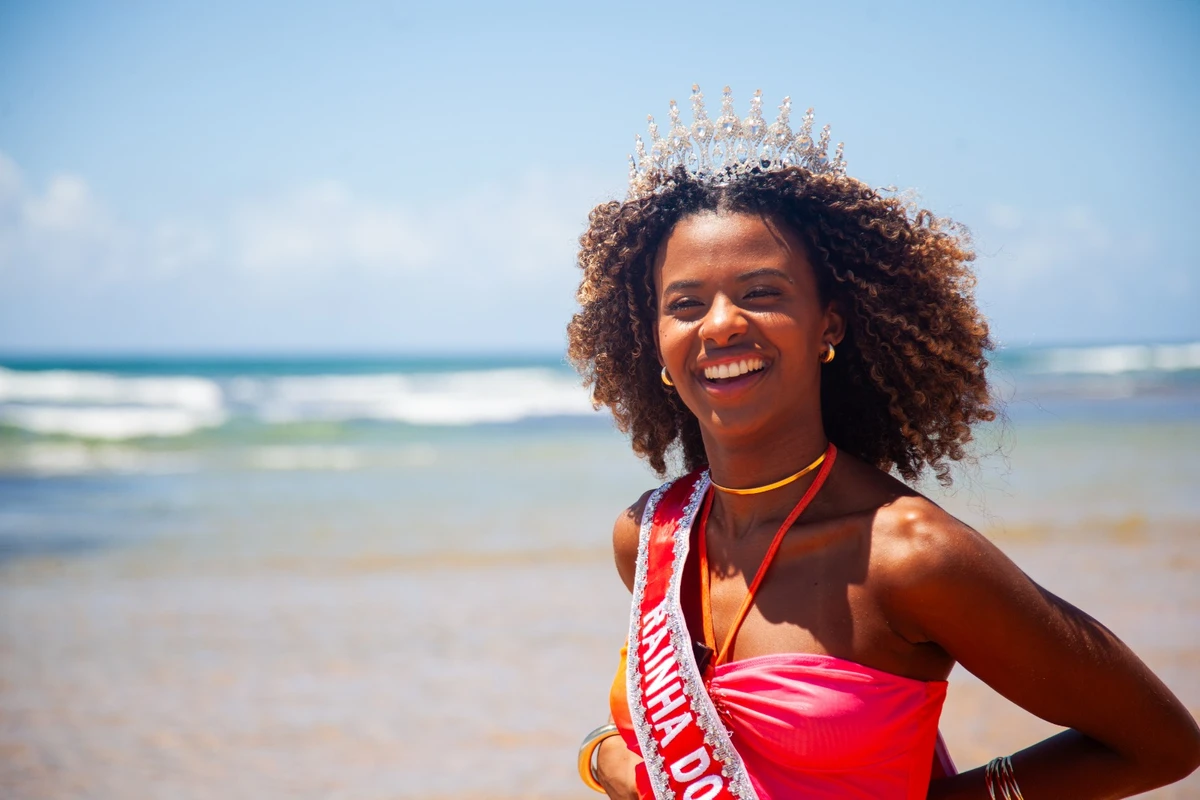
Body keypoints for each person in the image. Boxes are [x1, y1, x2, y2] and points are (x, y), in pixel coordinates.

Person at [566, 86, 1200, 800]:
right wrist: (604, 760)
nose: (720, 326)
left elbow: (1161, 745)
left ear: (828, 324)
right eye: (685, 304)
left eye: (763, 292)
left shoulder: (910, 557)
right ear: (653, 337)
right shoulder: (652, 539)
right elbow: (640, 747)